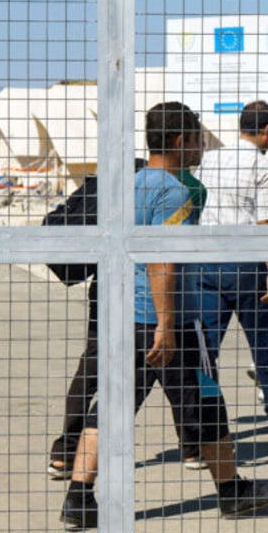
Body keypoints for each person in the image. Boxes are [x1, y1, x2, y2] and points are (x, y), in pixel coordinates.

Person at [59, 101, 268, 530]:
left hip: (125, 317)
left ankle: (77, 497)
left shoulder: (131, 183)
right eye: (199, 138)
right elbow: (162, 262)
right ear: (182, 141)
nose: (203, 146)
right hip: (173, 322)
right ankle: (232, 491)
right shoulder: (175, 192)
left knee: (111, 404)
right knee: (207, 399)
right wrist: (167, 325)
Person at [47, 161, 210, 478]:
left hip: (105, 287)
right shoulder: (185, 187)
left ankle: (65, 453)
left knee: (92, 370)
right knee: (180, 371)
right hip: (147, 297)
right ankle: (194, 446)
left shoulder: (118, 177)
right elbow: (170, 253)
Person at [195, 100, 268, 436]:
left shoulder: (211, 159)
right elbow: (266, 222)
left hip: (208, 261)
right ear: (266, 130)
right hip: (246, 264)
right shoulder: (262, 166)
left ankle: (202, 418)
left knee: (206, 348)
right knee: (267, 344)